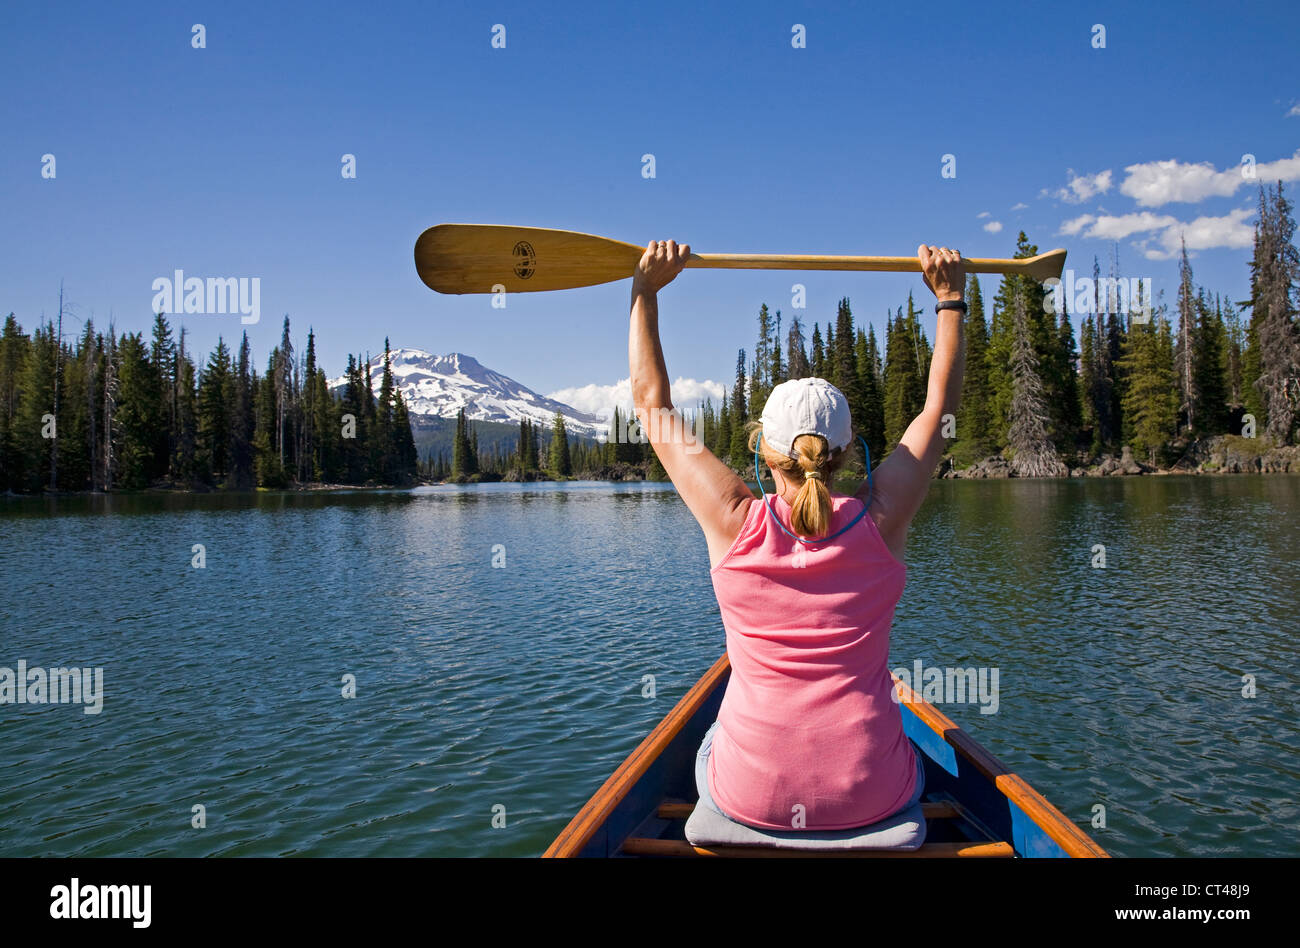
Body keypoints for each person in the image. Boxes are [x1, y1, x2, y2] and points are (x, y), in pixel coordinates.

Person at [628, 239, 966, 831]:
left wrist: (645, 291)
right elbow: (939, 411)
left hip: (749, 797)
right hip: (873, 793)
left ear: (763, 450)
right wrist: (950, 299)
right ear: (845, 452)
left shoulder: (732, 519)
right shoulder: (882, 518)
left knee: (709, 739)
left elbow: (651, 404)